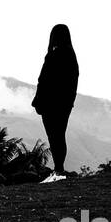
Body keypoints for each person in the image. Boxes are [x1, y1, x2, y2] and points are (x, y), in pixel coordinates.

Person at [32, 23, 78, 181]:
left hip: (51, 104)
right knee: (59, 135)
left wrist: (40, 101)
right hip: (63, 104)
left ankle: (59, 169)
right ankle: (59, 168)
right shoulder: (71, 56)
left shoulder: (54, 55)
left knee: (55, 136)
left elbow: (44, 81)